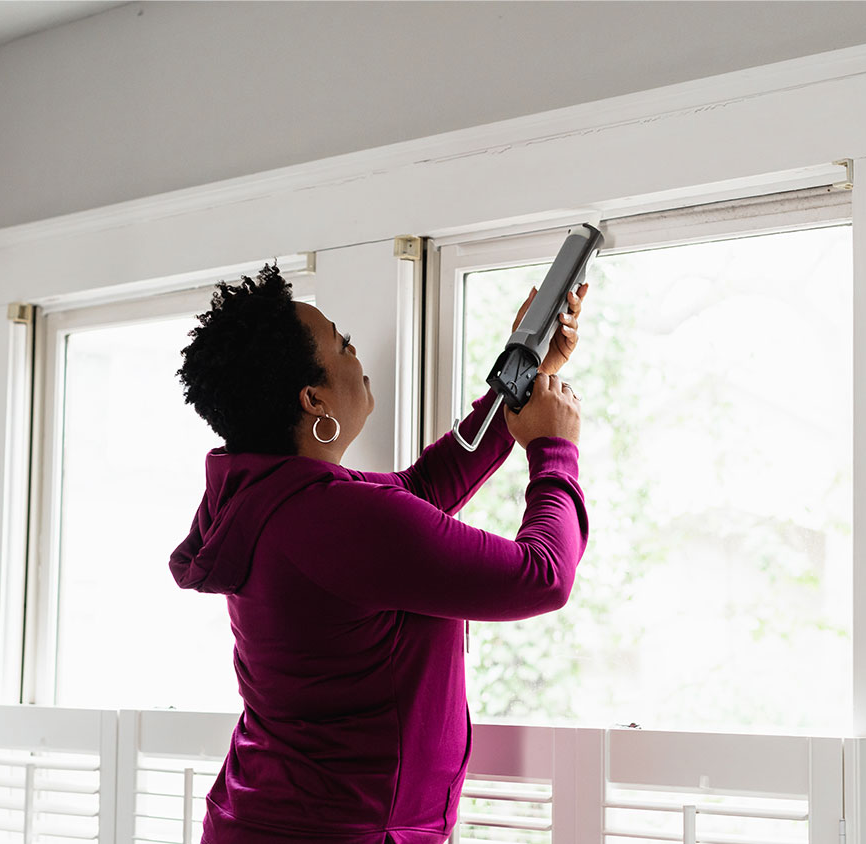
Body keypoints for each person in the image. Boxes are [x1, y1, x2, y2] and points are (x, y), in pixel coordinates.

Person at [170, 263, 590, 843]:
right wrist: (554, 448)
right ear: (313, 398)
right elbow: (542, 576)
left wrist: (522, 376)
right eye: (342, 343)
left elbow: (422, 489)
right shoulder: (335, 518)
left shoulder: (273, 502)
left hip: (274, 818)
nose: (354, 350)